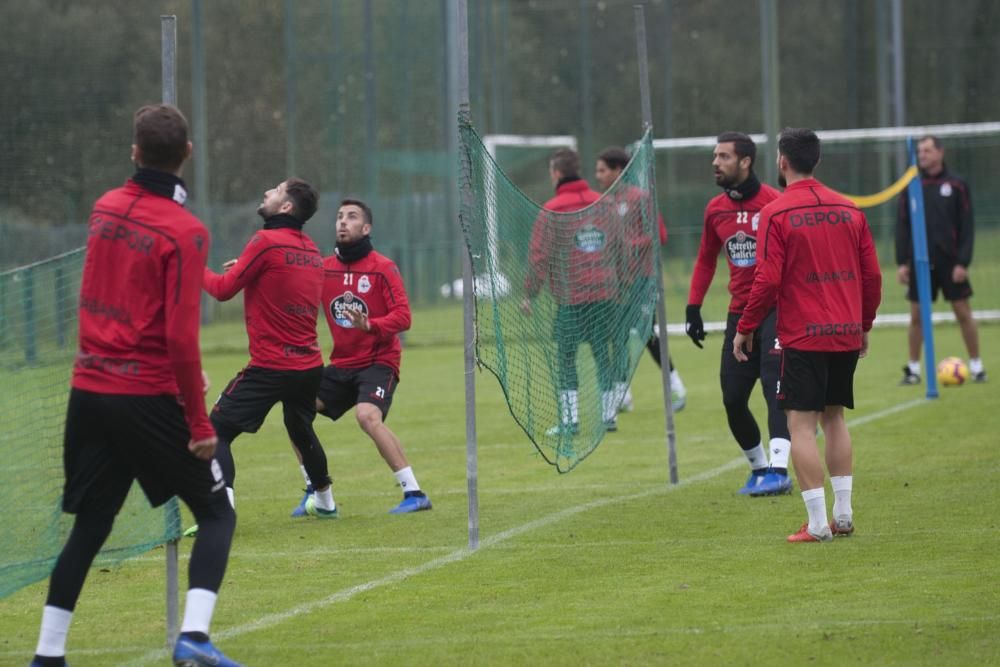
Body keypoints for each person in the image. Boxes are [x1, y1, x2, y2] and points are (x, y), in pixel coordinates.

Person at [30, 104, 242, 666]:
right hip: (143, 395)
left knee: (92, 524)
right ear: (187, 154)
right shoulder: (186, 230)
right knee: (218, 510)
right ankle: (194, 639)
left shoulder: (103, 209)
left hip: (88, 390)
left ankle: (48, 654)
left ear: (134, 152)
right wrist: (199, 425)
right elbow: (179, 338)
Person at [734, 128, 882, 542]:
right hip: (845, 332)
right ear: (816, 161)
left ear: (782, 162)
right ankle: (845, 514)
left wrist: (746, 327)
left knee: (800, 425)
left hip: (802, 334)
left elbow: (766, 279)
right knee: (834, 417)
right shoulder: (850, 210)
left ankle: (818, 524)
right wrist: (864, 324)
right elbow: (872, 276)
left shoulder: (776, 214)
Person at [201, 178, 339, 521]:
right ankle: (325, 502)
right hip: (308, 366)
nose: (266, 193)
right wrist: (249, 270)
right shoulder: (309, 249)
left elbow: (220, 291)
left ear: (286, 206)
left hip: (272, 366)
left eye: (275, 191)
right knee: (300, 429)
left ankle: (222, 510)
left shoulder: (265, 241)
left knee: (215, 431)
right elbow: (283, 283)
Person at [303, 198, 431, 515]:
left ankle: (414, 493)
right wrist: (250, 272)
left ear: (367, 227)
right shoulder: (323, 268)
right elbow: (286, 280)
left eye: (352, 217)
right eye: (339, 216)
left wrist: (371, 324)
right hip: (342, 364)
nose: (343, 222)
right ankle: (317, 491)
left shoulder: (382, 268)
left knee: (366, 417)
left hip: (379, 361)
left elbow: (403, 317)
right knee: (296, 408)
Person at [685, 132, 792, 496]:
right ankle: (760, 468)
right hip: (738, 314)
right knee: (732, 396)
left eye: (724, 156)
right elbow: (704, 259)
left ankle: (780, 469)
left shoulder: (775, 203)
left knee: (774, 389)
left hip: (776, 310)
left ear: (746, 161)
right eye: (715, 155)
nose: (716, 162)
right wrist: (693, 306)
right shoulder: (715, 208)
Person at [521, 148, 621, 433]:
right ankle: (609, 415)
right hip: (605, 292)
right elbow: (620, 248)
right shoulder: (604, 203)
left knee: (565, 356)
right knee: (604, 352)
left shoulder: (552, 209)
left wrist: (530, 293)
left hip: (571, 297)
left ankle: (570, 420)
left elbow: (540, 256)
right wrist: (621, 285)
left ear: (556, 173)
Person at [594, 146, 687, 414]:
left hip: (642, 280)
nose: (597, 175)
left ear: (617, 171)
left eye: (602, 170)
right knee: (617, 334)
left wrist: (628, 244)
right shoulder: (604, 202)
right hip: (615, 282)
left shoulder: (640, 198)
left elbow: (659, 235)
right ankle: (623, 395)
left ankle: (676, 385)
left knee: (647, 333)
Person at [896, 135, 986, 384]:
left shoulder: (957, 185)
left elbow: (967, 225)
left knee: (963, 313)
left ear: (939, 153)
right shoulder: (912, 185)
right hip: (920, 262)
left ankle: (977, 367)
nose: (922, 155)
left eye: (927, 150)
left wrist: (962, 262)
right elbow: (902, 225)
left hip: (950, 262)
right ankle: (913, 370)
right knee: (917, 315)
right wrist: (902, 262)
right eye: (920, 151)